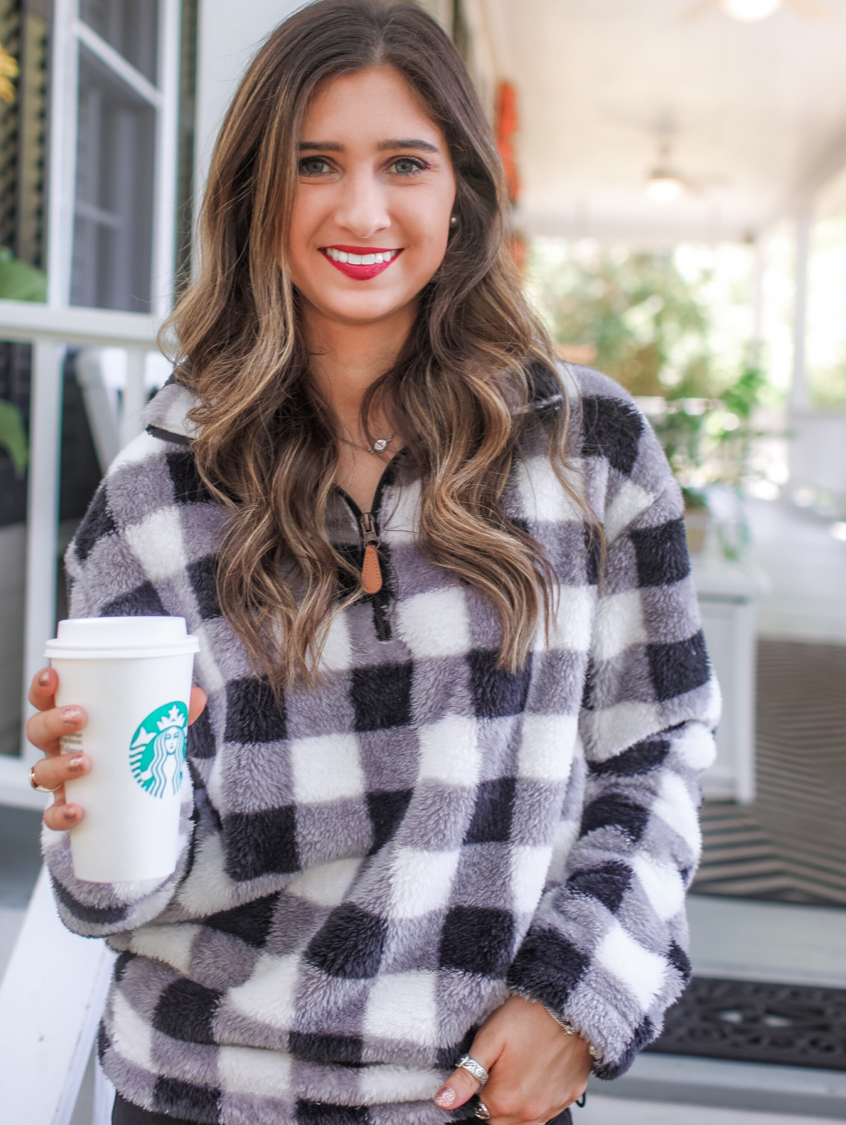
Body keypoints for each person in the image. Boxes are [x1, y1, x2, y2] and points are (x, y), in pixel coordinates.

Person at [26, 2, 719, 1123]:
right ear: (258, 191)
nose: (360, 210)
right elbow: (112, 897)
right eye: (315, 164)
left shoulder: (587, 450)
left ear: (461, 193)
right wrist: (95, 796)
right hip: (202, 1087)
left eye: (405, 163)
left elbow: (659, 747)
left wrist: (577, 1000)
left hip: (468, 1094)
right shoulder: (160, 488)